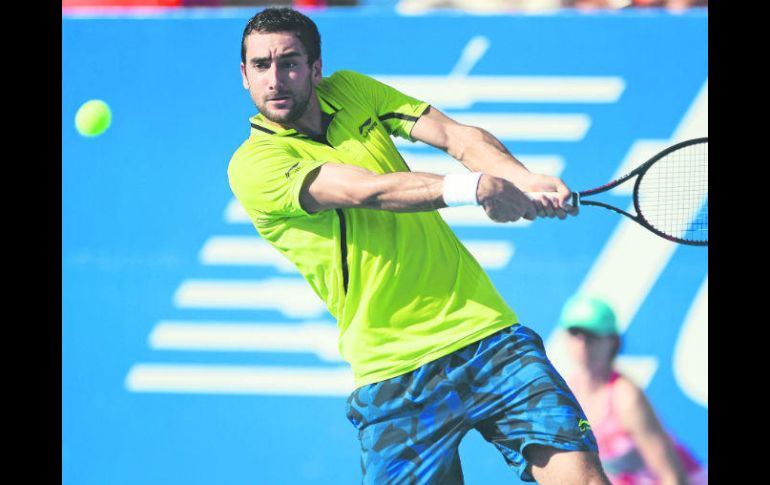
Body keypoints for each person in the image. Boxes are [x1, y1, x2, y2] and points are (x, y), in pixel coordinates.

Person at [228, 7, 611, 484]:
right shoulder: (253, 164)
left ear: (315, 67)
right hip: (393, 374)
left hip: (485, 333)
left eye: (289, 62)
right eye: (260, 66)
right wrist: (475, 189)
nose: (275, 78)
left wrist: (521, 177)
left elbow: (453, 135)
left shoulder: (351, 89)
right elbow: (367, 190)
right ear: (244, 75)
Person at [558, 295, 708, 485]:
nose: (583, 344)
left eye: (592, 336)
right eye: (574, 333)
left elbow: (673, 477)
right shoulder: (569, 392)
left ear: (613, 342)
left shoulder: (626, 397)